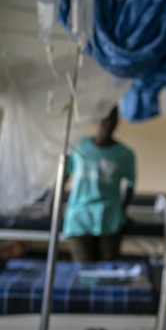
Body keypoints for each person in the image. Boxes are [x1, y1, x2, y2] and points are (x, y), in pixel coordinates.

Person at [62, 105, 136, 262]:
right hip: (79, 217)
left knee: (108, 272)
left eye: (113, 120)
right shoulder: (79, 146)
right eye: (105, 119)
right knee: (83, 270)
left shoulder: (124, 154)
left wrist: (122, 211)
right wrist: (50, 203)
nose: (109, 124)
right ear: (97, 120)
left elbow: (130, 185)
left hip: (109, 218)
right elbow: (64, 176)